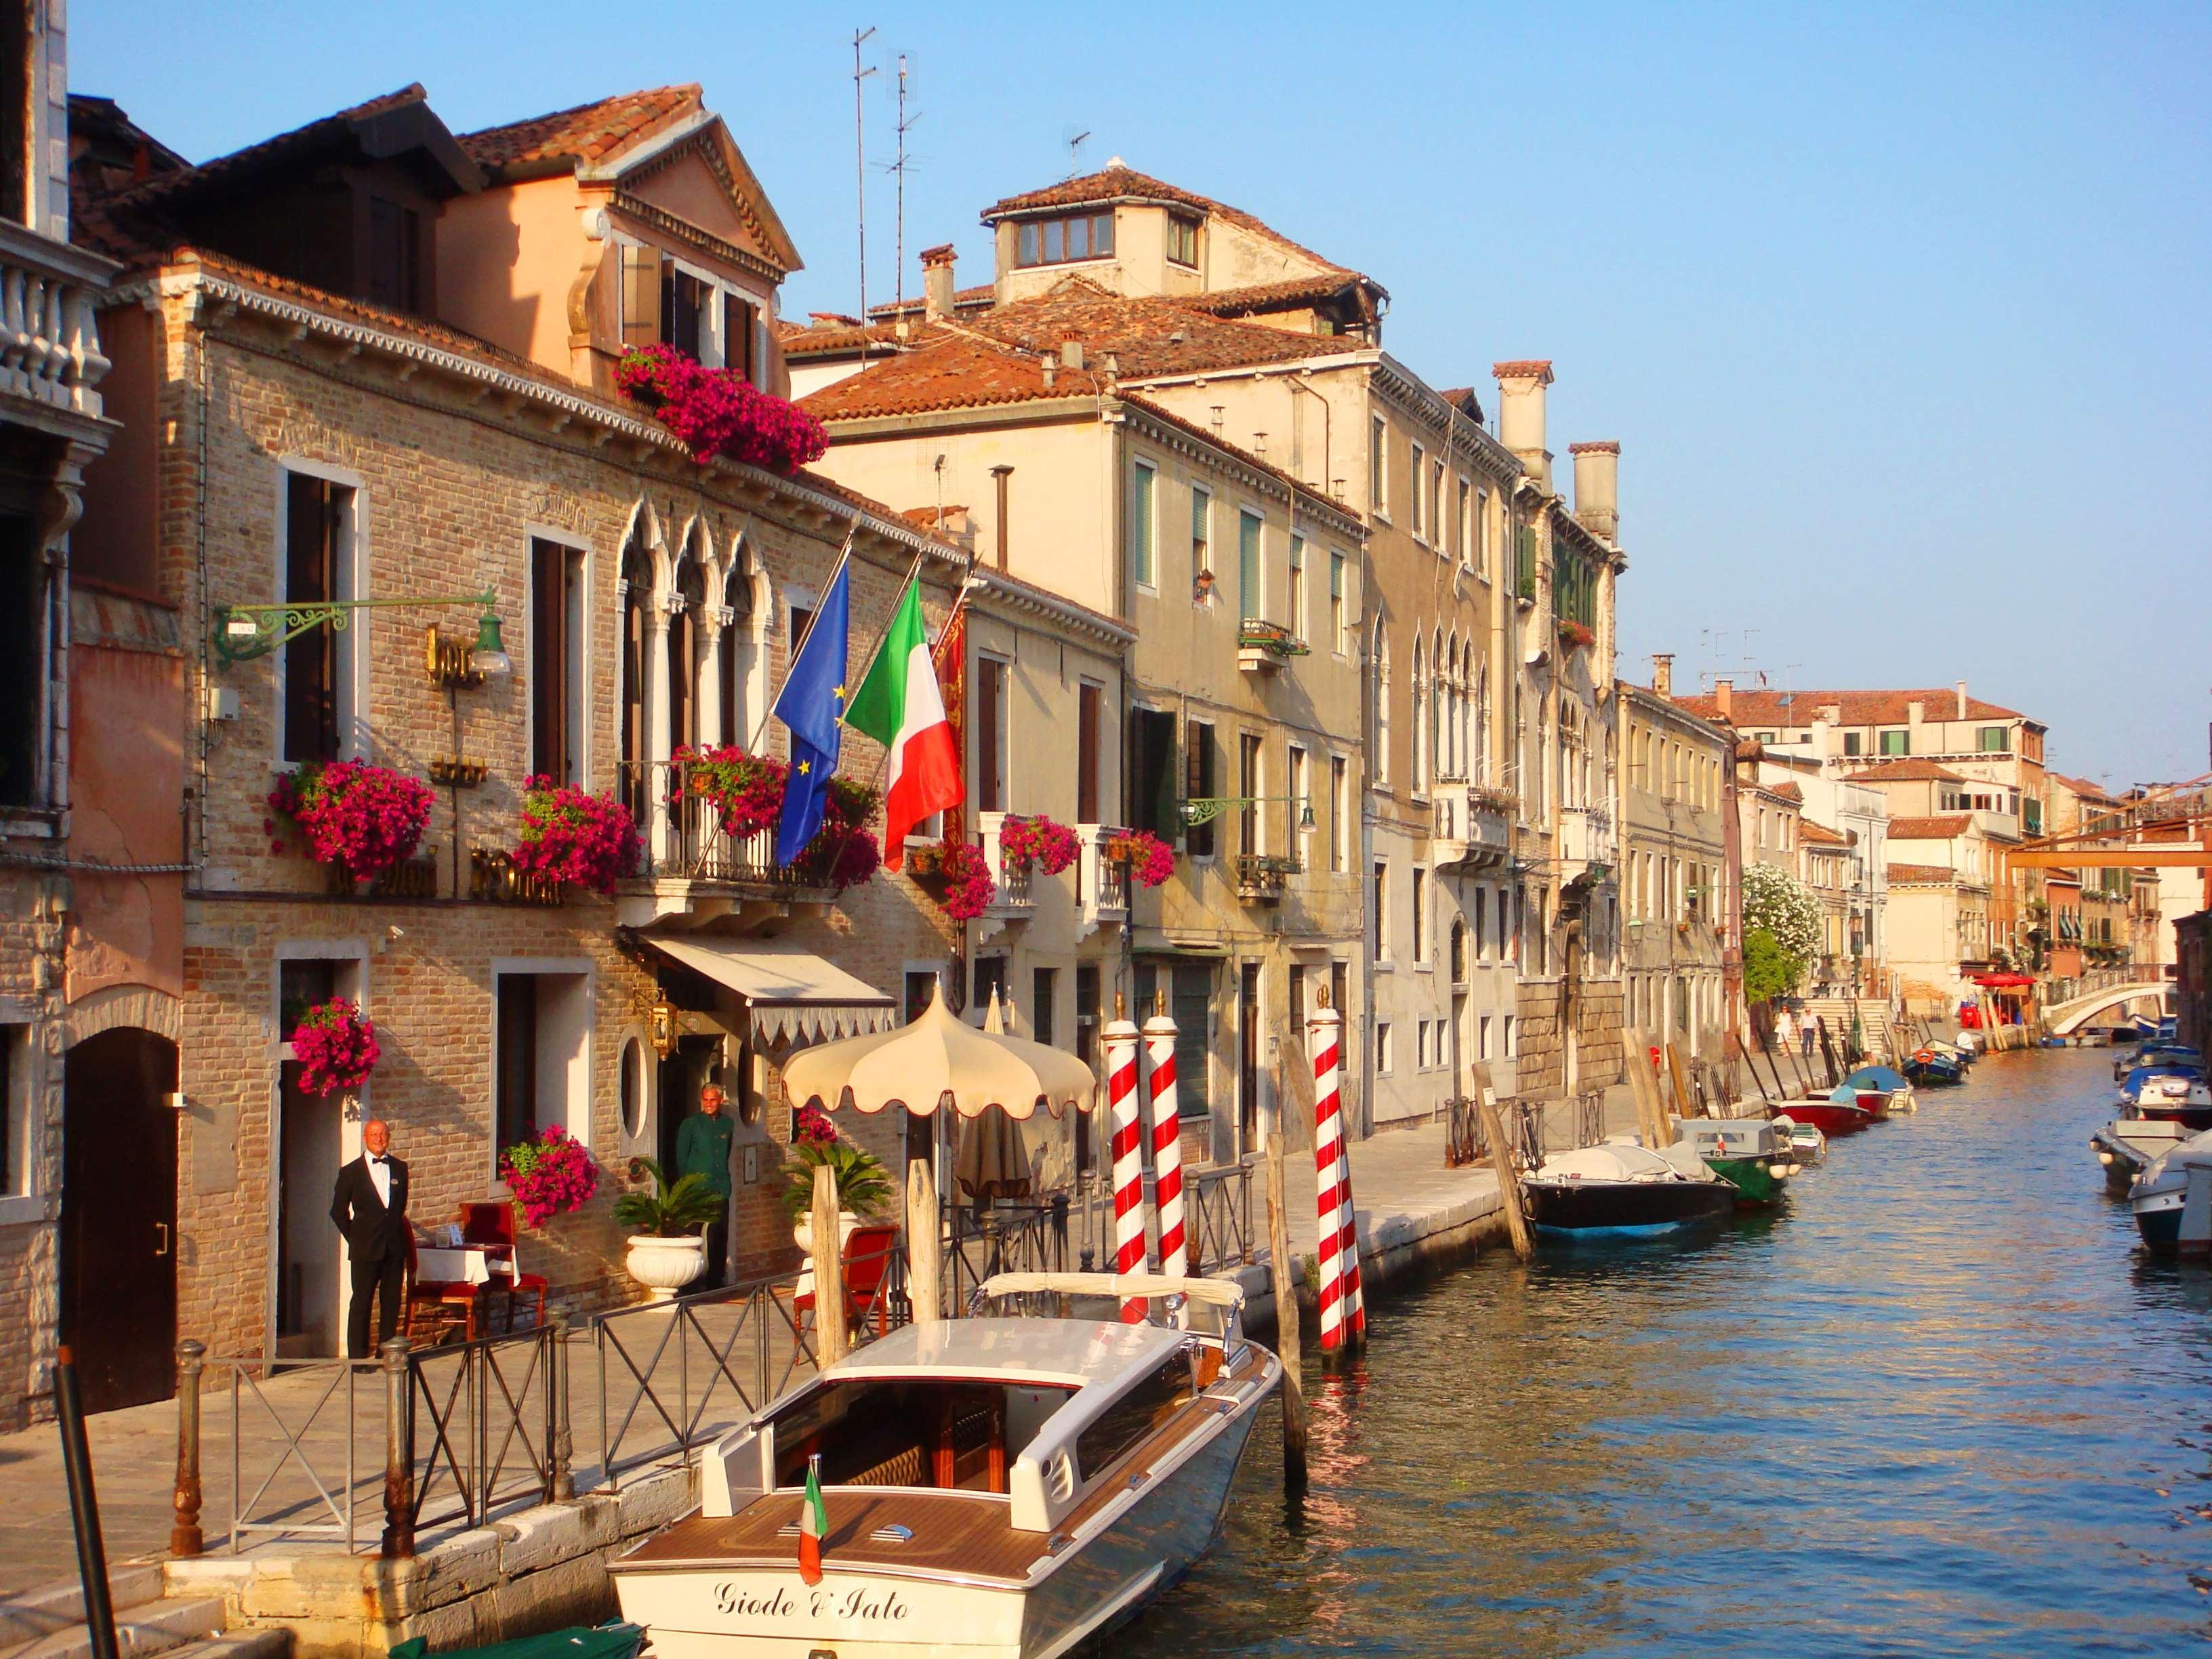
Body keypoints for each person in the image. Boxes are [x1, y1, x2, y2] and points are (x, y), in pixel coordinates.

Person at [330, 1119, 410, 1358]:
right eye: (373, 1134)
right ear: (365, 1138)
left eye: (383, 1134)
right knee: (362, 1303)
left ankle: (386, 1353)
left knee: (392, 1302)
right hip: (365, 1248)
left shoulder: (400, 1168)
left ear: (389, 1137)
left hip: (394, 1248)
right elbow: (338, 1211)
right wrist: (355, 1238)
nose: (379, 1139)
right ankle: (357, 1356)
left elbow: (398, 1208)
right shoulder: (350, 1172)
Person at [676, 1081, 735, 1288]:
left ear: (720, 1101)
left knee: (718, 1233)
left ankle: (715, 1278)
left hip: (719, 1186)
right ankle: (689, 1279)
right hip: (696, 1189)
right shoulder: (690, 1124)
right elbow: (681, 1157)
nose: (709, 1104)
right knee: (692, 1232)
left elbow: (725, 1152)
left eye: (713, 1100)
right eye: (705, 1100)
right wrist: (686, 1185)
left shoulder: (727, 1124)